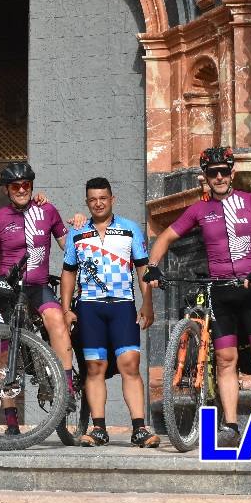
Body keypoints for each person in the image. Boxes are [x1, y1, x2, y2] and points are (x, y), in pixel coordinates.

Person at [144, 145, 251, 448]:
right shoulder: (200, 209)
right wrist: (153, 268)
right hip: (220, 292)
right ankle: (231, 425)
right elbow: (165, 237)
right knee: (225, 360)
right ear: (205, 177)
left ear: (232, 172)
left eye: (224, 171)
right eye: (213, 173)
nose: (219, 177)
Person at [60, 177, 159, 448]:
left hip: (122, 305)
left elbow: (142, 268)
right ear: (87, 202)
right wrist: (66, 309)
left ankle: (140, 428)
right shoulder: (77, 232)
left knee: (130, 365)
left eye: (103, 198)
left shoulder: (130, 230)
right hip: (89, 307)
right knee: (95, 368)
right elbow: (68, 273)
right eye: (93, 199)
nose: (98, 203)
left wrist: (147, 303)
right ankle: (98, 428)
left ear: (112, 199)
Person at [0, 161, 73, 435]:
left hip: (37, 286)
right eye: (15, 186)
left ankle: (66, 387)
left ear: (31, 186)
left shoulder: (47, 210)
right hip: (7, 290)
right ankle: (10, 421)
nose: (21, 190)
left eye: (26, 185)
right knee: (4, 353)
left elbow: (69, 247)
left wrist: (81, 225)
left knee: (56, 319)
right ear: (7, 190)